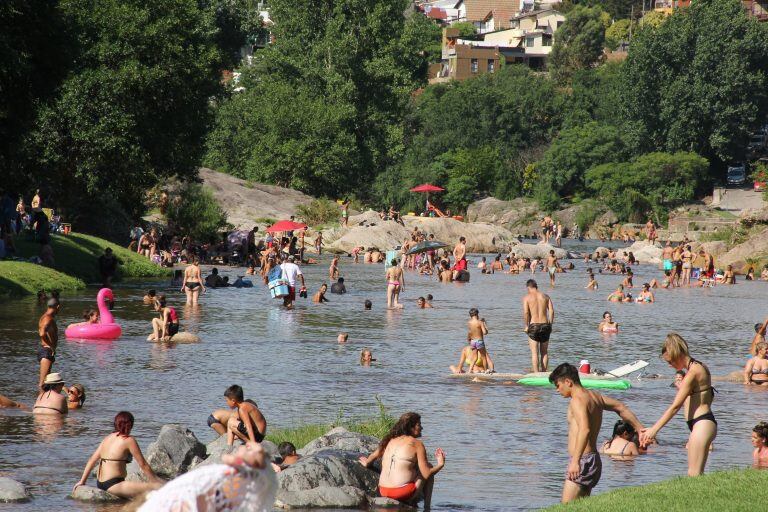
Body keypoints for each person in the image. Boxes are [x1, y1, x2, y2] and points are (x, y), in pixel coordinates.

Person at [548, 363, 643, 503]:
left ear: (568, 382)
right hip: (593, 460)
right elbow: (621, 407)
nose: (557, 390)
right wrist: (640, 429)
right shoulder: (594, 396)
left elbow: (585, 430)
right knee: (580, 507)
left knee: (565, 507)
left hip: (582, 460)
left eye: (557, 385)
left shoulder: (577, 400)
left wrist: (575, 461)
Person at [640, 334, 717, 476]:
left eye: (670, 361)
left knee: (693, 474)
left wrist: (654, 430)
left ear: (678, 354)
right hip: (701, 422)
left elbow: (675, 406)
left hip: (702, 423)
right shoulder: (700, 367)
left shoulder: (693, 373)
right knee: (695, 474)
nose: (670, 365)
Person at [359, 412, 445, 509]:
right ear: (410, 427)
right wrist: (440, 464)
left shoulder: (389, 440)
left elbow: (373, 456)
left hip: (383, 490)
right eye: (419, 425)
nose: (422, 428)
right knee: (428, 466)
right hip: (401, 493)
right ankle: (427, 507)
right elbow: (426, 474)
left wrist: (367, 462)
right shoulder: (417, 444)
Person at [74, 411, 163, 498]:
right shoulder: (129, 440)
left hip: (100, 483)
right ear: (130, 425)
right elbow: (143, 465)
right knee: (158, 487)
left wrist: (82, 481)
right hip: (114, 484)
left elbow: (92, 460)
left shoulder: (108, 438)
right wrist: (155, 481)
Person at [522, 279, 554, 372]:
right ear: (536, 286)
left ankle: (536, 374)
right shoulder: (546, 296)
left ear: (528, 287)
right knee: (544, 352)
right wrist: (550, 324)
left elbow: (526, 312)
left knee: (534, 353)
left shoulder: (526, 298)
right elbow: (551, 311)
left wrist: (526, 325)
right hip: (545, 325)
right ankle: (544, 373)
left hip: (534, 326)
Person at [38, 298, 60, 393]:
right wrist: (50, 346)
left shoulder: (44, 317)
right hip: (46, 351)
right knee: (43, 383)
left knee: (46, 382)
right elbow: (42, 333)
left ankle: (44, 404)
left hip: (46, 351)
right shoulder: (48, 319)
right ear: (58, 307)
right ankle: (39, 405)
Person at [467, 308, 493, 374]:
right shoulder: (480, 322)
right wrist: (484, 324)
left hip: (472, 342)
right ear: (477, 314)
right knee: (483, 356)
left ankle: (469, 371)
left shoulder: (469, 322)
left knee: (474, 357)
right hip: (479, 341)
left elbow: (469, 332)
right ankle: (486, 370)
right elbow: (485, 332)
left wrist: (468, 339)